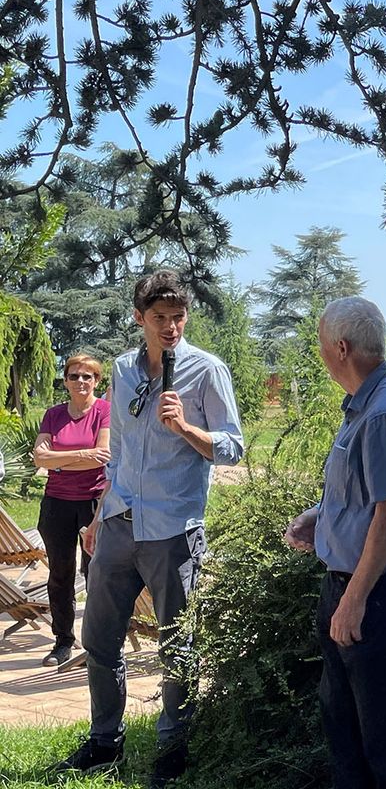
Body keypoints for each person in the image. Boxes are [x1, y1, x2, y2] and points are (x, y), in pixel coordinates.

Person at [56, 271, 244, 787]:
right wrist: (98, 516)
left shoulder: (207, 372)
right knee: (99, 639)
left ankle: (173, 749)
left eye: (179, 317)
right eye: (160, 318)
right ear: (139, 318)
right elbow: (117, 453)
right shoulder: (121, 369)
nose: (171, 327)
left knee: (176, 645)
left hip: (172, 529)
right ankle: (103, 742)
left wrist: (186, 428)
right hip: (119, 521)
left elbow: (233, 447)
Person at [284, 296, 386, 789]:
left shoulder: (380, 415)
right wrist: (321, 517)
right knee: (346, 730)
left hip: (375, 596)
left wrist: (353, 602)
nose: (319, 353)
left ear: (341, 347)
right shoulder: (369, 404)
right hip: (356, 592)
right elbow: (369, 500)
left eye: (319, 344)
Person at [31, 354, 111, 667]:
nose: (81, 381)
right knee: (60, 574)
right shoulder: (53, 414)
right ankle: (63, 640)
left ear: (96, 381)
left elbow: (102, 457)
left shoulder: (104, 411)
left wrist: (59, 459)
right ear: (65, 381)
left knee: (96, 574)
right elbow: (39, 459)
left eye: (87, 376)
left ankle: (97, 643)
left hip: (93, 502)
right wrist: (81, 454)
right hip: (56, 504)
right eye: (74, 376)